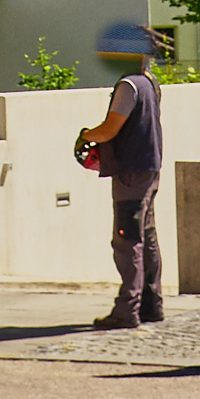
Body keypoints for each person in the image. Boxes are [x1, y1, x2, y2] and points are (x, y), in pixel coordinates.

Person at [75, 23, 164, 330]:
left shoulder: (129, 86)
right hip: (150, 168)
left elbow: (110, 128)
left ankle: (128, 309)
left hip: (131, 172)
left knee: (127, 241)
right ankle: (153, 303)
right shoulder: (150, 82)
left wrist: (87, 134)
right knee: (147, 236)